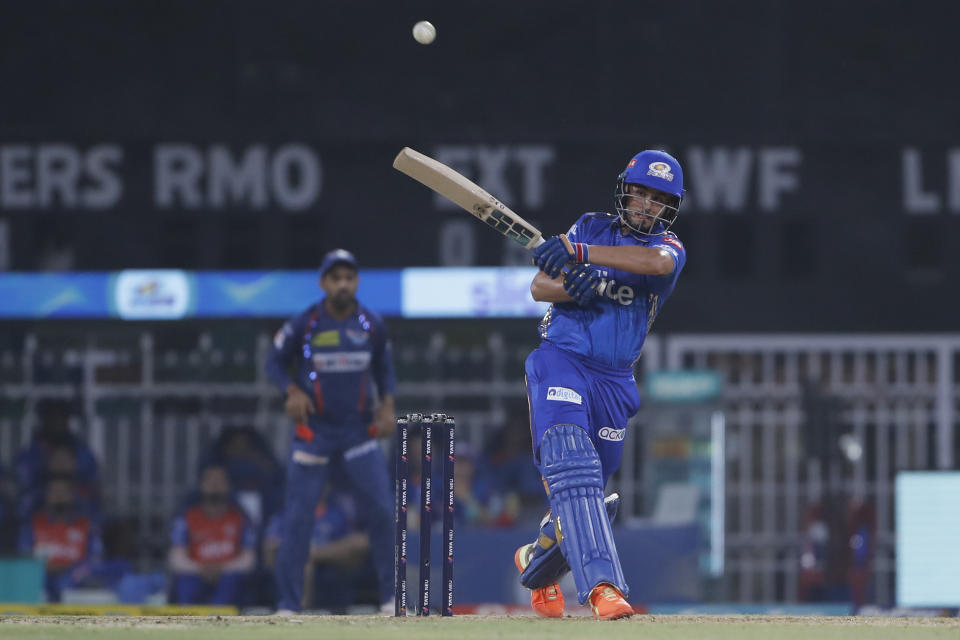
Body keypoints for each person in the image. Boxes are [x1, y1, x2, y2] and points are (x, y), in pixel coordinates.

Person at [513, 150, 687, 620]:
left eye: (659, 199)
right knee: (574, 467)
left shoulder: (668, 248)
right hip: (561, 360)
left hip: (613, 382)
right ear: (625, 190)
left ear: (670, 208)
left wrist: (580, 257)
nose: (647, 204)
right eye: (641, 192)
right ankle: (603, 588)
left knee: (584, 495)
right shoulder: (590, 225)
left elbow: (654, 267)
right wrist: (573, 287)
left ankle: (536, 562)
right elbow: (539, 287)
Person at [265, 248, 398, 615]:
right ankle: (289, 605)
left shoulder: (371, 324)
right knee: (298, 516)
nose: (343, 284)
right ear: (323, 283)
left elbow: (385, 369)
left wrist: (388, 404)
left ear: (356, 282)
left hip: (358, 431)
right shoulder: (305, 324)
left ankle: (391, 599)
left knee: (383, 511)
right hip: (315, 432)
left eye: (349, 278)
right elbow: (273, 363)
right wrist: (290, 391)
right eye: (335, 278)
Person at [168, 464, 256, 606]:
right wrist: (201, 569)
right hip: (195, 573)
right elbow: (176, 558)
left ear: (228, 486)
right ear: (201, 485)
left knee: (231, 583)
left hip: (229, 574)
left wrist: (222, 568)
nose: (215, 485)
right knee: (186, 583)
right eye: (210, 481)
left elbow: (249, 559)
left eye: (220, 481)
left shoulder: (241, 519)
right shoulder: (186, 518)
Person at [18, 476, 104, 602]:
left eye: (63, 492)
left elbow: (94, 559)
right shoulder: (33, 525)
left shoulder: (86, 526)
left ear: (71, 496)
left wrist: (70, 574)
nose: (58, 496)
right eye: (54, 492)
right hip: (41, 581)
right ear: (46, 496)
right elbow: (24, 557)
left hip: (77, 585)